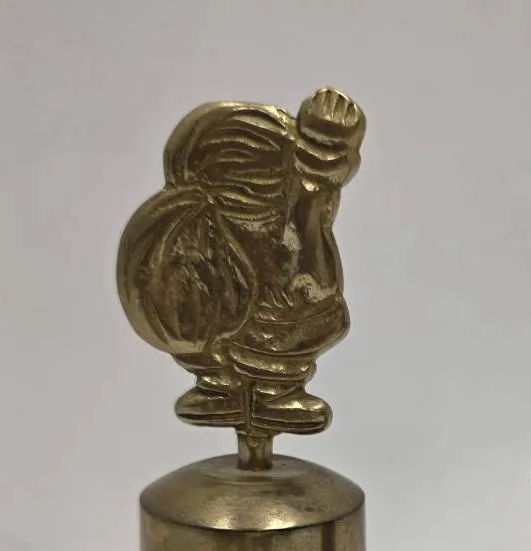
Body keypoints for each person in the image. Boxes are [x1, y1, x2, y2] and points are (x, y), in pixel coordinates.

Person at [116, 88, 366, 457]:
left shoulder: (277, 241)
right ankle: (235, 392)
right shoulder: (196, 247)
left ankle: (244, 393)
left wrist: (321, 167)